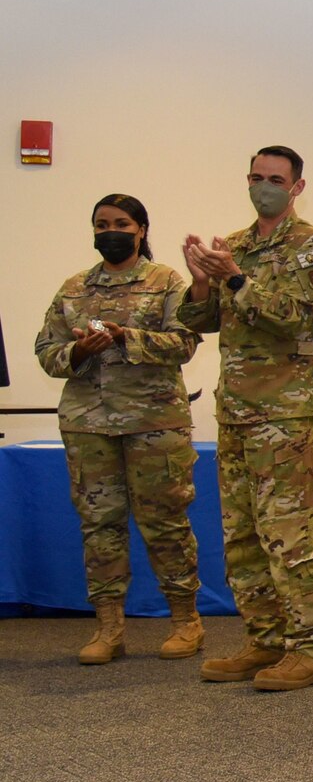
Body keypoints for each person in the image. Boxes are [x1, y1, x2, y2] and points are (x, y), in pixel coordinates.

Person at [178, 146, 313, 691]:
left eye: (275, 178)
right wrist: (202, 280)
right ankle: (265, 639)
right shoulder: (237, 245)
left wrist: (237, 281)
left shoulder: (311, 247)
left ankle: (311, 649)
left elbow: (304, 320)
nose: (263, 186)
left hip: (284, 413)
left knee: (289, 534)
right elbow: (202, 321)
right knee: (242, 534)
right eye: (255, 177)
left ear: (297, 187)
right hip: (237, 409)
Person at [34, 194, 203, 662]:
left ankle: (186, 622)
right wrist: (80, 351)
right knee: (99, 527)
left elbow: (185, 342)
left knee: (165, 523)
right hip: (88, 424)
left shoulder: (166, 280)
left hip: (155, 423)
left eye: (122, 223)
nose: (111, 231)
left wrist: (127, 336)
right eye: (102, 223)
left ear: (142, 230)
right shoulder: (72, 288)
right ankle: (108, 629)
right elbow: (47, 351)